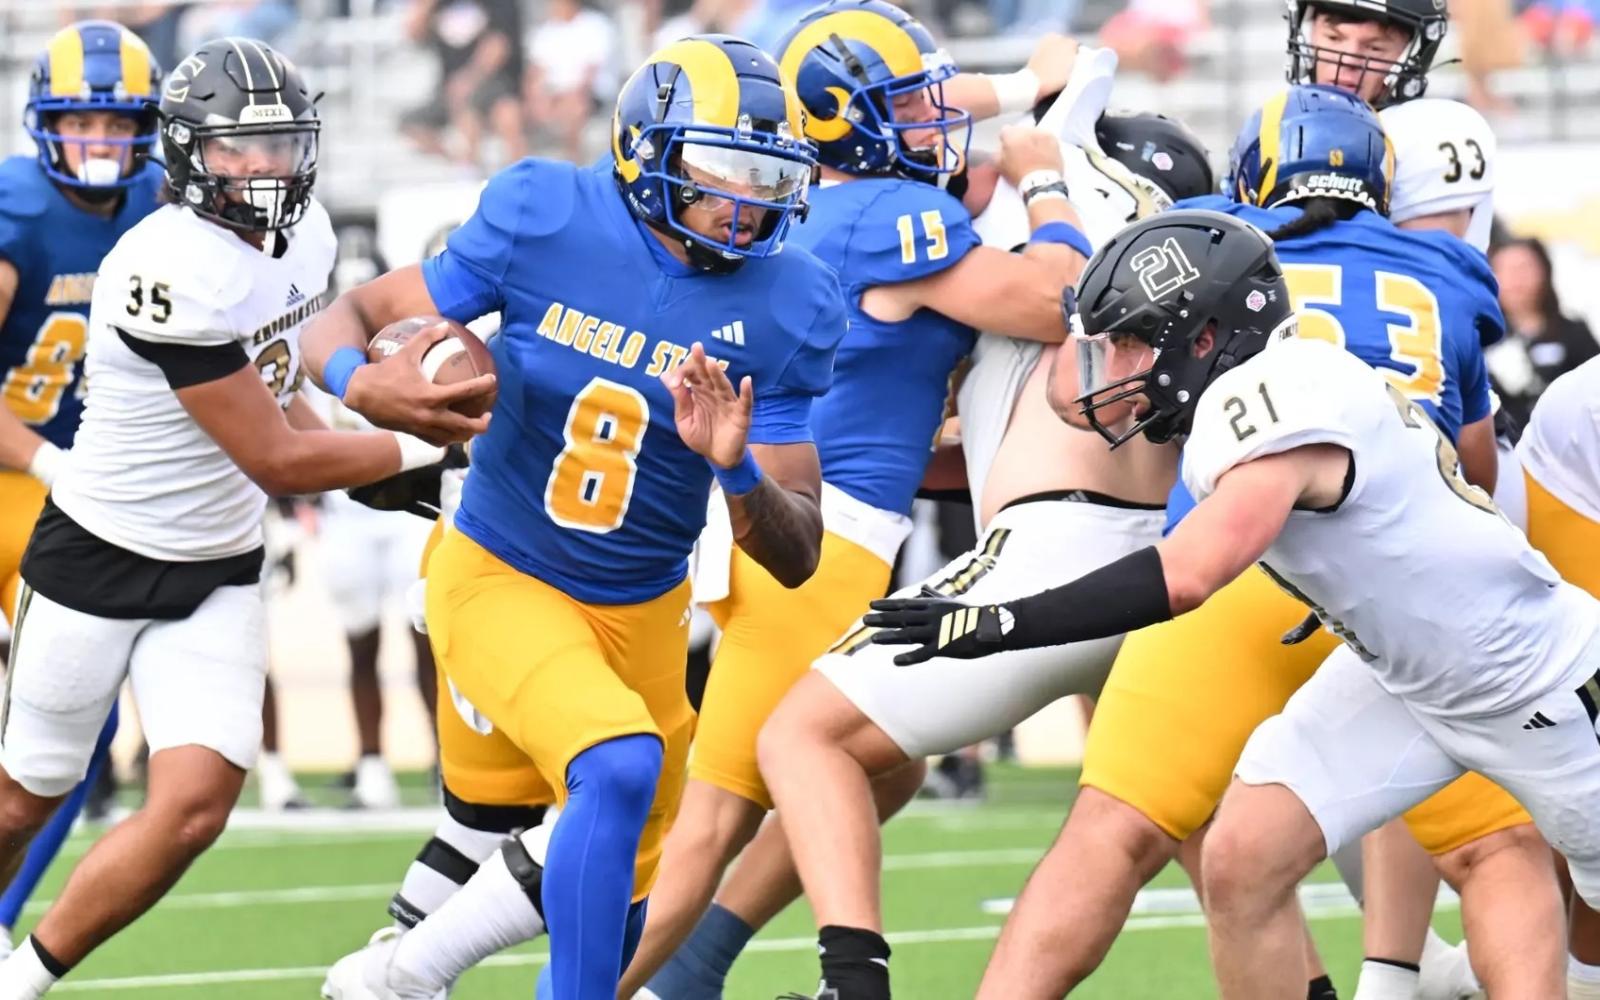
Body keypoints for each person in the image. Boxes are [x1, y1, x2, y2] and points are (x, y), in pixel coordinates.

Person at [866, 206, 1600, 1000]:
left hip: (1541, 687)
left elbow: (1189, 574)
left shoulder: (1269, 396)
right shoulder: (1279, 386)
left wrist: (1007, 620)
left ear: (1205, 337)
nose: (1114, 366)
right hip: (1409, 681)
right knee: (1244, 858)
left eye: (1132, 341)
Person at [311, 34, 846, 1000]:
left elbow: (799, 551)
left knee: (623, 895)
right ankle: (409, 973)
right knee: (617, 763)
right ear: (646, 151)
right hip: (501, 569)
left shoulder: (793, 299)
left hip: (645, 610)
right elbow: (341, 319)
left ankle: (392, 977)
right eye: (721, 169)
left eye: (768, 175)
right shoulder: (544, 213)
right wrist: (361, 383)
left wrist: (735, 470)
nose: (748, 199)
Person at [617, 5, 1091, 996]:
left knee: (886, 761)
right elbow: (1061, 299)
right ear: (847, 121)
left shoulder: (817, 213)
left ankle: (693, 968)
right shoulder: (884, 215)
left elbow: (872, 391)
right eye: (907, 107)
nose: (932, 120)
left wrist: (1020, 86)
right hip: (820, 546)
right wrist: (1045, 179)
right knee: (715, 818)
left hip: (801, 527)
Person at [0, 38, 456, 998]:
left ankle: (21, 980)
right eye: (237, 149)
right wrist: (429, 449)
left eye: (280, 144)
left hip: (218, 561)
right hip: (99, 552)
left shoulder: (310, 235)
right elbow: (274, 457)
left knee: (196, 809)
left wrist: (370, 454)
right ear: (187, 154)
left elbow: (281, 392)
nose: (263, 167)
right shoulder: (162, 264)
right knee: (19, 803)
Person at [0, 19, 165, 962]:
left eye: (117, 124)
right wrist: (48, 461)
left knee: (80, 719)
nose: (101, 142)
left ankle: (1, 916)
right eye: (81, 122)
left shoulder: (162, 203)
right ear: (46, 123)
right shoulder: (16, 209)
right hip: (30, 471)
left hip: (70, 494)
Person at [1487, 236, 1599, 428]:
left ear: (1544, 270)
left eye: (1524, 268)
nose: (1516, 279)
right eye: (1505, 270)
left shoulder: (1574, 333)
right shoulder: (1482, 340)